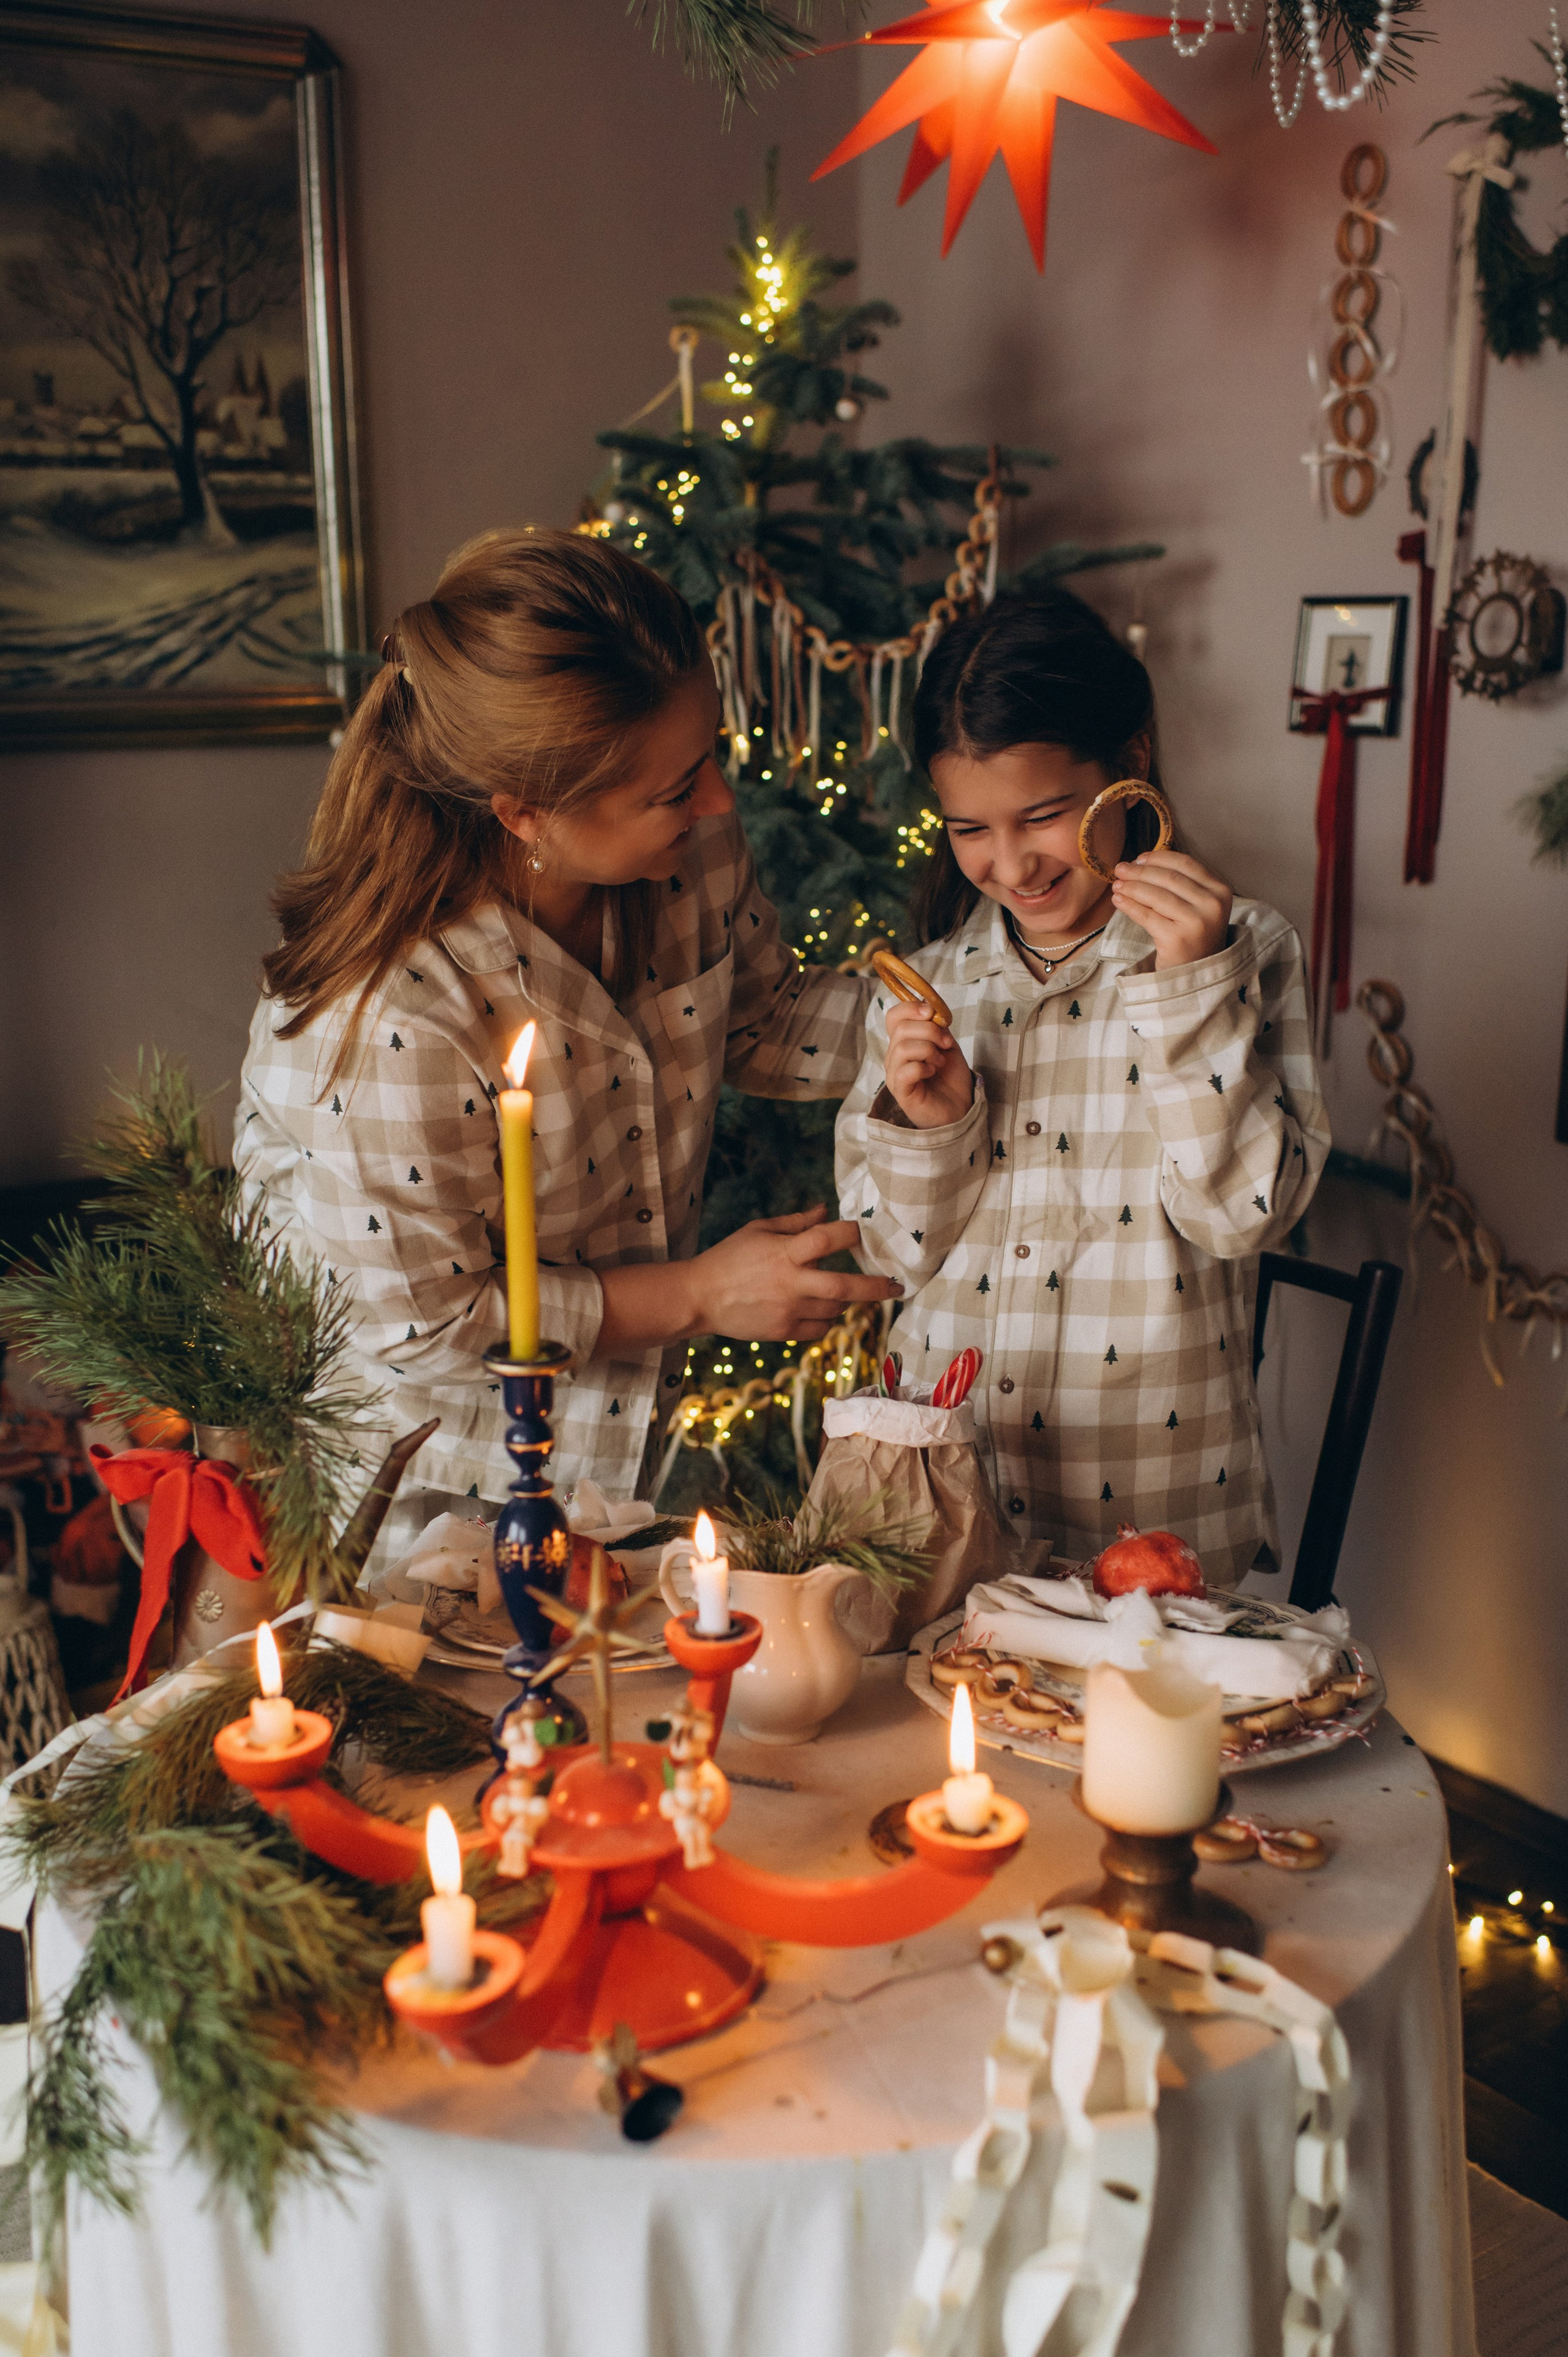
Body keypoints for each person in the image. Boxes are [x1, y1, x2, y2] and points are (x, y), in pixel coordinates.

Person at [236, 528, 899, 1529]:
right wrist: (703, 1295)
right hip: (420, 1487)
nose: (720, 802)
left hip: (613, 1463)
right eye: (674, 789)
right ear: (527, 814)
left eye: (707, 757)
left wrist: (975, 1011)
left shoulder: (691, 854)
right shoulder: (391, 1013)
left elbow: (766, 1020)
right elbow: (431, 1325)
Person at [835, 592, 1329, 1586]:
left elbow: (1246, 1216)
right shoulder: (926, 987)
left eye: (1045, 817)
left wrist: (1192, 998)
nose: (1009, 864)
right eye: (969, 828)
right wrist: (935, 1132)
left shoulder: (1248, 952)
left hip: (1149, 1503)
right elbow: (887, 1255)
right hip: (939, 1495)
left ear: (1129, 766)